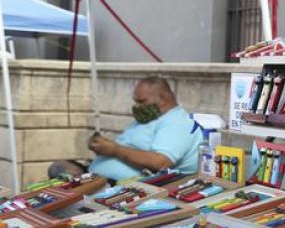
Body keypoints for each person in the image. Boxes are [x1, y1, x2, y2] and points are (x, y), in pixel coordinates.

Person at [49, 76, 202, 181]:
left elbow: (160, 162)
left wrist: (114, 150)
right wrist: (102, 146)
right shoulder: (147, 119)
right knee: (58, 167)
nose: (137, 107)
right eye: (136, 101)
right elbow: (128, 148)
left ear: (164, 99)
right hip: (97, 174)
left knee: (65, 183)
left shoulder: (177, 122)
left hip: (126, 187)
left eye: (142, 101)